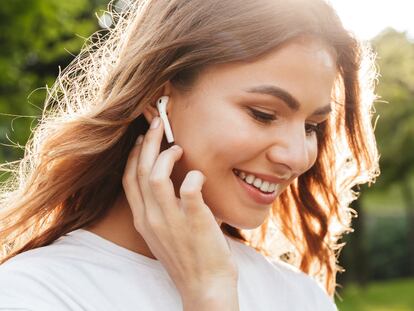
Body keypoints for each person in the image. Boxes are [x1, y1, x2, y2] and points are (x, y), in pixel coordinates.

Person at [0, 0, 379, 310]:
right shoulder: (35, 293)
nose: (297, 156)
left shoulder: (301, 298)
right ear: (155, 98)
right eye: (263, 114)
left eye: (312, 126)